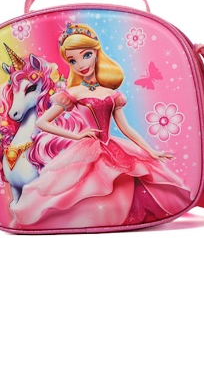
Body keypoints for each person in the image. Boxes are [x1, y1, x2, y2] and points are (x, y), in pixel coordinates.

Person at [11, 23, 191, 229]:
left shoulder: (111, 93)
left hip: (113, 147)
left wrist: (151, 151)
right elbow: (42, 122)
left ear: (97, 53)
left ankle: (118, 220)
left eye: (86, 55)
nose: (80, 64)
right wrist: (77, 136)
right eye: (72, 60)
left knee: (126, 181)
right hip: (86, 149)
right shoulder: (74, 92)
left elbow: (126, 128)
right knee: (82, 189)